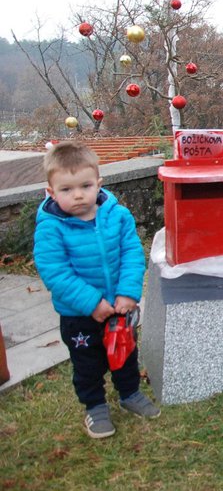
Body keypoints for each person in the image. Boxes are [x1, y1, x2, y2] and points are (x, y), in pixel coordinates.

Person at [33, 142, 159, 439]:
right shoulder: (51, 228)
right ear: (51, 192)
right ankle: (95, 406)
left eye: (85, 186)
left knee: (125, 353)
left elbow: (131, 253)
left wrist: (128, 293)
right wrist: (92, 302)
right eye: (66, 189)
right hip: (80, 314)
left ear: (98, 184)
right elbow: (55, 272)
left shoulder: (117, 216)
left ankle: (129, 393)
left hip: (120, 308)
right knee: (87, 364)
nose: (78, 195)